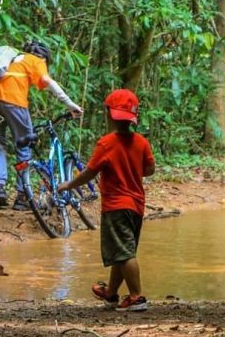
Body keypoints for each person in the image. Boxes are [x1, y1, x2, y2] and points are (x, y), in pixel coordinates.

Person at [58, 89, 155, 312]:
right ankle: (111, 293)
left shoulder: (106, 143)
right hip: (136, 206)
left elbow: (90, 172)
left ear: (109, 114)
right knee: (121, 252)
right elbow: (149, 169)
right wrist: (131, 168)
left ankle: (136, 297)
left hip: (116, 206)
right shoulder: (141, 143)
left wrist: (68, 185)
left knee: (124, 253)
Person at [0, 40, 83, 209]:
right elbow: (47, 81)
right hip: (13, 101)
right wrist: (70, 104)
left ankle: (0, 188)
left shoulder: (11, 59)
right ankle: (23, 196)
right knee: (24, 144)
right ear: (44, 56)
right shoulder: (35, 60)